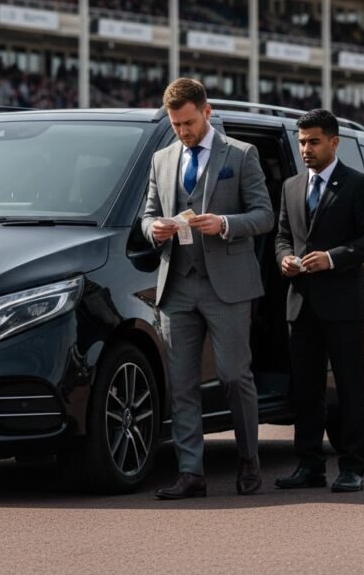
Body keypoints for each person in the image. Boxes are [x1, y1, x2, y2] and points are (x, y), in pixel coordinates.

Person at [142, 78, 274, 499]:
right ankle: (191, 473)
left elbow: (265, 215)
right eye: (175, 125)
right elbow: (146, 214)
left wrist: (225, 224)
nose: (182, 131)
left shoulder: (241, 154)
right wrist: (154, 229)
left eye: (188, 122)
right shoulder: (161, 159)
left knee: (234, 376)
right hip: (177, 285)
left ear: (207, 112)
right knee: (182, 384)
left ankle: (249, 460)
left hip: (228, 286)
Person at [274, 109, 364, 493]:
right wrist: (284, 259)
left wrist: (332, 258)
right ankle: (310, 465)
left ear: (334, 142)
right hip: (301, 303)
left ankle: (353, 467)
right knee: (306, 390)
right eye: (301, 142)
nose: (305, 149)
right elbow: (282, 237)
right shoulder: (291, 186)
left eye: (314, 141)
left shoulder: (358, 184)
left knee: (351, 388)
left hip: (344, 305)